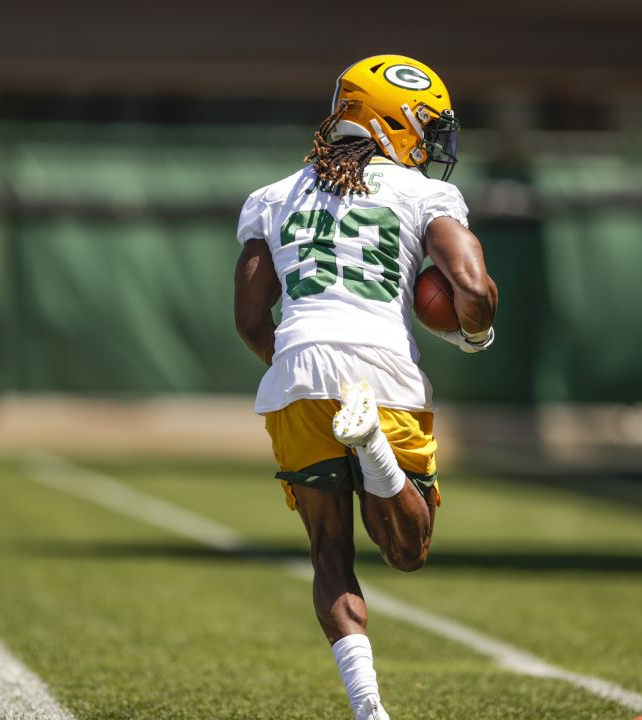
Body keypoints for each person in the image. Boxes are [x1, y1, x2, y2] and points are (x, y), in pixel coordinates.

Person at [232, 54, 498, 720]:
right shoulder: (423, 196)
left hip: (298, 362)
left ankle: (369, 712)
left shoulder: (272, 196)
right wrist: (475, 334)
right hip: (383, 365)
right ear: (393, 120)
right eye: (426, 128)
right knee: (409, 550)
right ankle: (374, 447)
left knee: (330, 554)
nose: (434, 144)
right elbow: (470, 288)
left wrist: (293, 365)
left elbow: (248, 315)